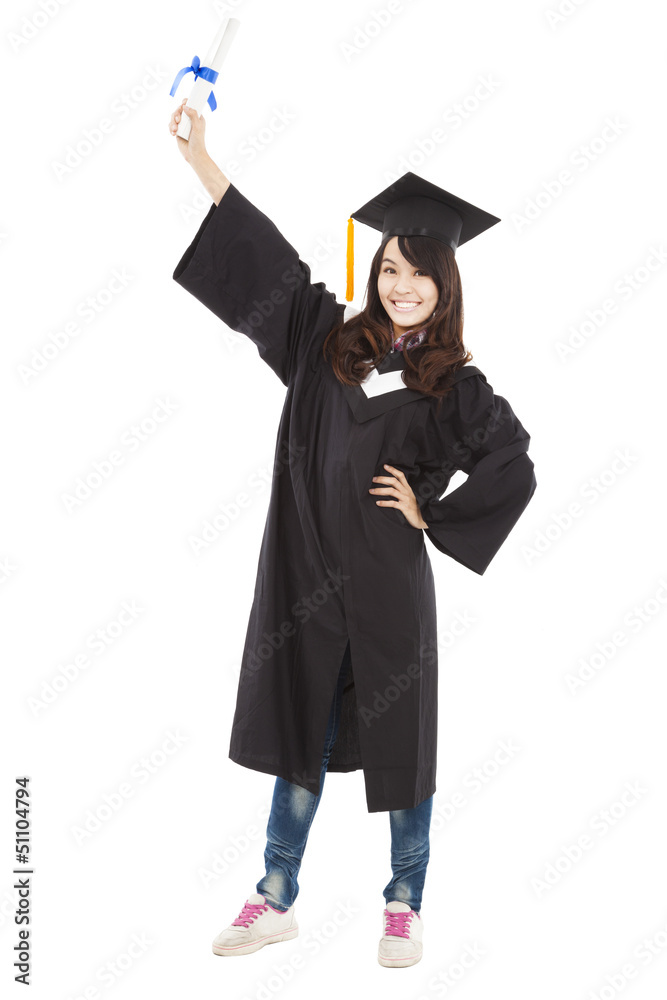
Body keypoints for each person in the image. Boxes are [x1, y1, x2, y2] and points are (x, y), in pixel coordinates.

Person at [169, 99, 537, 969]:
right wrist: (200, 161)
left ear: (445, 286)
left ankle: (405, 903)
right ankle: (273, 897)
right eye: (390, 269)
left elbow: (513, 464)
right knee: (297, 736)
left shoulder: (455, 385)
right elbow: (266, 263)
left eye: (420, 274)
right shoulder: (326, 341)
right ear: (374, 272)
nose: (401, 286)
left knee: (403, 743)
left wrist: (433, 515)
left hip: (386, 591)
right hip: (303, 581)